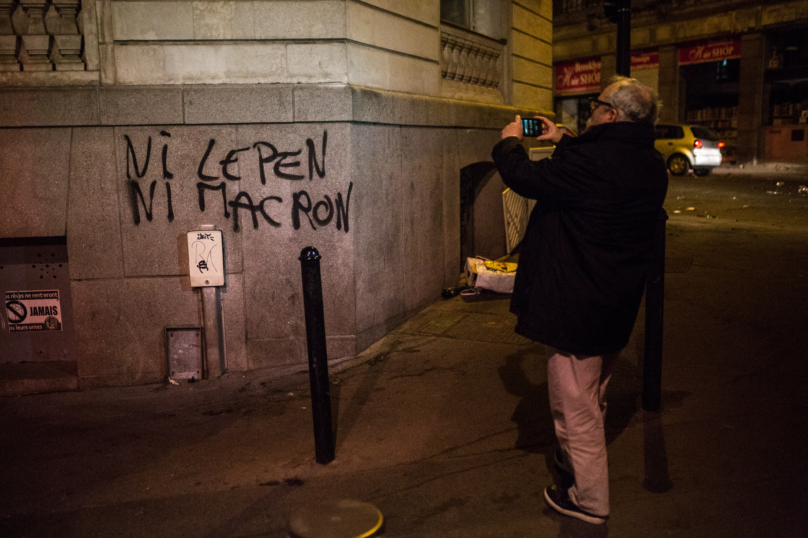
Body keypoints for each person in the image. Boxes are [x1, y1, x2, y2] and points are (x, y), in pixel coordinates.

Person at [491, 76, 668, 525]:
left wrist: (510, 143)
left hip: (578, 301)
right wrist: (564, 138)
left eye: (597, 104)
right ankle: (574, 464)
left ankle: (589, 500)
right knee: (593, 392)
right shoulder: (649, 162)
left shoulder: (593, 161)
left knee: (576, 408)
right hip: (616, 299)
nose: (591, 110)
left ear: (611, 114)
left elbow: (525, 177)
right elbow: (592, 179)